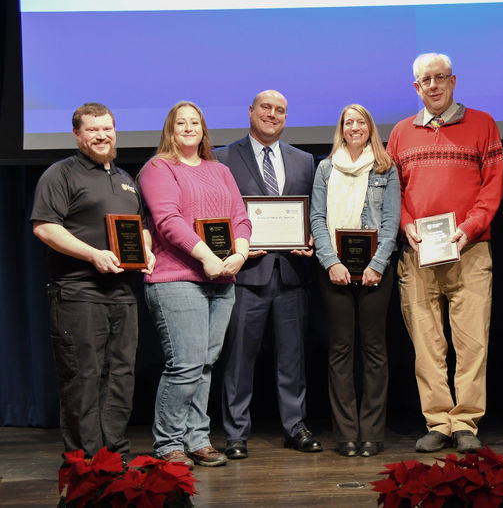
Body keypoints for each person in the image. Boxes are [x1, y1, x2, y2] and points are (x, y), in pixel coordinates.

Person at [386, 53, 503, 453]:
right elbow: (392, 192)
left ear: (453, 81)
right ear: (415, 87)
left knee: (472, 342)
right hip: (417, 254)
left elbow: (492, 188)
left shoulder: (483, 124)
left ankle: (466, 422)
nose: (433, 85)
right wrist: (406, 226)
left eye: (440, 78)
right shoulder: (401, 132)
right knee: (427, 343)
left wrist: (468, 229)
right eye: (425, 80)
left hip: (470, 250)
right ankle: (438, 421)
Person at [30, 102, 155, 459]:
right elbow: (45, 227)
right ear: (77, 134)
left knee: (121, 376)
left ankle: (114, 453)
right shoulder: (61, 174)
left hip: (121, 294)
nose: (102, 136)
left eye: (107, 129)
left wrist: (146, 251)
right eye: (92, 130)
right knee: (82, 377)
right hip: (77, 293)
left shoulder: (126, 180)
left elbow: (140, 228)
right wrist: (93, 254)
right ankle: (85, 460)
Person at [139, 101, 252, 468]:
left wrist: (240, 253)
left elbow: (240, 217)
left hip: (223, 277)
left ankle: (197, 438)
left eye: (195, 122)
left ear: (203, 130)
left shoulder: (219, 170)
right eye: (181, 123)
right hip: (177, 278)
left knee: (205, 364)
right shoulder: (158, 168)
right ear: (170, 129)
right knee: (185, 365)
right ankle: (169, 442)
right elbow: (168, 220)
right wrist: (206, 256)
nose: (188, 128)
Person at [215, 90, 321, 458]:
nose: (272, 115)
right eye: (266, 108)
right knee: (239, 358)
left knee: (292, 358)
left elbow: (314, 212)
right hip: (246, 274)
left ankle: (295, 426)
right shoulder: (223, 158)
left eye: (280, 111)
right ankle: (236, 433)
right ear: (250, 111)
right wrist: (233, 244)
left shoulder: (305, 161)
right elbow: (215, 214)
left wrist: (311, 236)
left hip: (292, 274)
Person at [310, 104, 400, 457]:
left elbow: (391, 221)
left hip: (377, 269)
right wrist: (330, 261)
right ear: (341, 129)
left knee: (375, 350)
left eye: (360, 121)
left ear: (370, 127)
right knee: (341, 350)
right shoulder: (325, 168)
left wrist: (378, 263)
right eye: (348, 122)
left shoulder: (385, 168)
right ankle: (346, 433)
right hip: (334, 270)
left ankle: (372, 434)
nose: (354, 127)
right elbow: (317, 217)